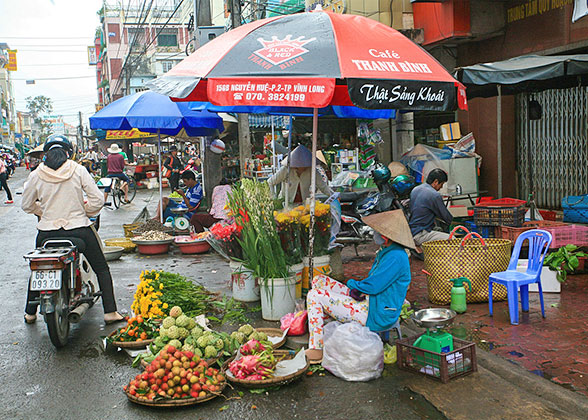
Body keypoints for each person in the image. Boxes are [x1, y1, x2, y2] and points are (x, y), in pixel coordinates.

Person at [21, 134, 123, 325]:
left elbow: (26, 205)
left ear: (46, 154)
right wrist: (84, 210)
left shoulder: (35, 174)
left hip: (47, 234)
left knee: (40, 268)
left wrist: (43, 212)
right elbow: (98, 200)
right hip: (79, 230)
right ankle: (110, 312)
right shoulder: (78, 170)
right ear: (69, 152)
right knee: (101, 268)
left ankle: (30, 312)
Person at [305, 209, 414, 363]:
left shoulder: (396, 257)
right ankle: (328, 330)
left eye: (376, 231)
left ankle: (317, 349)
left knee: (314, 295)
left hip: (376, 313)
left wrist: (352, 284)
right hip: (371, 301)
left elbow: (373, 286)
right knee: (319, 281)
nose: (373, 234)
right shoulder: (388, 251)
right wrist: (359, 289)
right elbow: (374, 284)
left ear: (384, 236)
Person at [267, 144, 334, 205]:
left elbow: (323, 187)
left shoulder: (312, 171)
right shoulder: (286, 170)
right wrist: (274, 198)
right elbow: (270, 182)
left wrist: (333, 195)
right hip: (286, 204)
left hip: (304, 204)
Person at [408, 168, 453, 247]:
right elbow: (447, 218)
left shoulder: (415, 189)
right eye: (441, 184)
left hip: (411, 231)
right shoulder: (434, 195)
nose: (441, 188)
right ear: (435, 182)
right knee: (453, 239)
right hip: (420, 234)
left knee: (438, 230)